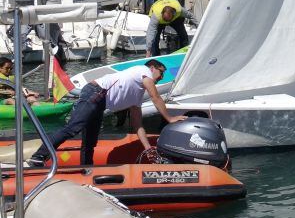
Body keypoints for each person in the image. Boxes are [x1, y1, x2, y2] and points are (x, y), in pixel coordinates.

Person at [28, 59, 185, 166]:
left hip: (100, 102)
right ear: (152, 68)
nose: (162, 77)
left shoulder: (137, 95)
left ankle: (86, 168)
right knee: (73, 128)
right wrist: (169, 118)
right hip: (95, 92)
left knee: (90, 141)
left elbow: (138, 125)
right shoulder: (143, 71)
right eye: (161, 72)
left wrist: (147, 148)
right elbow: (155, 96)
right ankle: (39, 156)